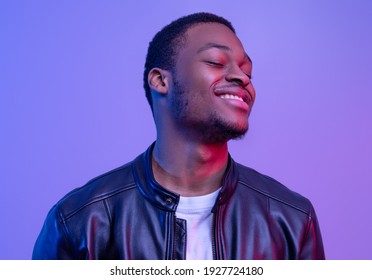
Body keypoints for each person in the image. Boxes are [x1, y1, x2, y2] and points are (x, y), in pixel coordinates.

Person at [33, 12, 325, 260]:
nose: (242, 77)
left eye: (247, 70)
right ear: (161, 81)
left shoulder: (292, 220)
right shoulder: (80, 221)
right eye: (215, 62)